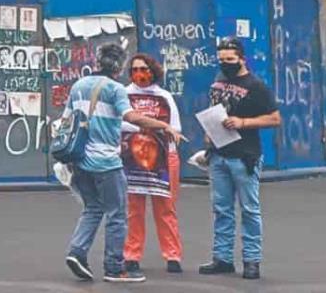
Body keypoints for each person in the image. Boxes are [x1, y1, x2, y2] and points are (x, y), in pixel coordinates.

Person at [62, 43, 183, 284]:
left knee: (93, 207)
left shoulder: (78, 85)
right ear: (119, 68)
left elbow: (66, 120)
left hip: (80, 160)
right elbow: (131, 117)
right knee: (118, 214)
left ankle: (77, 252)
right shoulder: (116, 89)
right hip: (106, 161)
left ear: (97, 62)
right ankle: (115, 268)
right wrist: (162, 125)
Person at [198, 37, 281, 281]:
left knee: (249, 210)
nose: (225, 64)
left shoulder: (256, 86)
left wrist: (244, 122)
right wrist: (208, 133)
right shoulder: (218, 82)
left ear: (242, 59)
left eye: (230, 60)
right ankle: (222, 257)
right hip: (219, 154)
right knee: (221, 209)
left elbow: (274, 118)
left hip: (244, 155)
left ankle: (251, 260)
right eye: (222, 60)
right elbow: (215, 111)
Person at [121, 53, 183, 275]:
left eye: (144, 68)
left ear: (153, 70)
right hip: (131, 160)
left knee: (166, 208)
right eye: (135, 68)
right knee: (134, 209)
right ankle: (131, 255)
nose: (140, 73)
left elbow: (175, 128)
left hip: (164, 160)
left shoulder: (164, 96)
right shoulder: (123, 95)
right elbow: (120, 124)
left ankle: (173, 255)